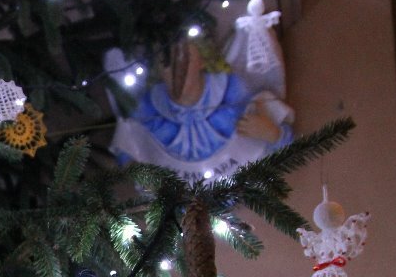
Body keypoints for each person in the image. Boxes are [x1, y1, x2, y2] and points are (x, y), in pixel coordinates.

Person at [109, 35, 293, 182]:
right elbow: (130, 154)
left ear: (202, 60)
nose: (178, 72)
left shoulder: (232, 91)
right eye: (166, 63)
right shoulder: (148, 107)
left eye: (185, 60)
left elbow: (287, 149)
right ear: (158, 69)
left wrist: (273, 134)